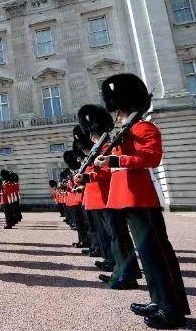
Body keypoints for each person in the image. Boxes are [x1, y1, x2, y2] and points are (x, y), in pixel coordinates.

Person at [95, 73, 189, 328]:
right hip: (127, 199)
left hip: (141, 199)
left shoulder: (143, 128)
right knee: (147, 256)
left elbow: (152, 158)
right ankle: (158, 300)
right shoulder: (125, 132)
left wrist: (117, 159)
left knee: (156, 254)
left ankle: (171, 310)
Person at [74, 104, 141, 288]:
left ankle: (126, 274)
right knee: (115, 236)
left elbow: (109, 171)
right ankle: (122, 271)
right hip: (103, 197)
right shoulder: (100, 148)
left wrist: (86, 177)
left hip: (109, 197)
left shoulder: (106, 147)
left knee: (117, 236)